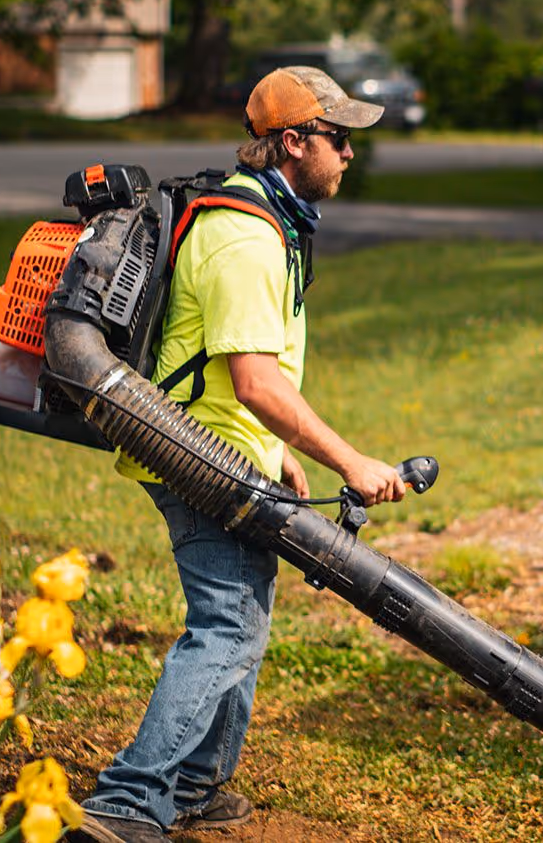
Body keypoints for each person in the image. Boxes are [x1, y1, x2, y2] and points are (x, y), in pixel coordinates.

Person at [72, 67, 407, 843]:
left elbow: (241, 372)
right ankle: (129, 799)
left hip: (224, 448)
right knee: (226, 625)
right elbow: (255, 383)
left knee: (242, 613)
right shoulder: (246, 236)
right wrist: (347, 461)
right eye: (339, 138)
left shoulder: (267, 218)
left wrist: (278, 454)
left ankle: (194, 784)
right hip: (192, 454)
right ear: (293, 142)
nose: (350, 154)